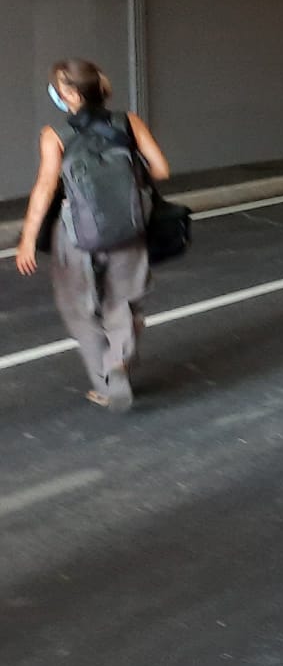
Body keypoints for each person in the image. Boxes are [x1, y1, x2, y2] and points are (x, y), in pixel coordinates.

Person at [12, 59, 170, 413]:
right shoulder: (129, 121)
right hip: (128, 226)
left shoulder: (54, 135)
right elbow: (161, 169)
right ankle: (120, 360)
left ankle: (104, 379)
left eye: (57, 86)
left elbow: (44, 189)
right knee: (124, 301)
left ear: (68, 94)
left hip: (76, 233)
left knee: (79, 308)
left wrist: (27, 240)